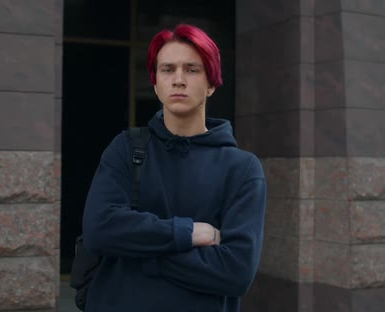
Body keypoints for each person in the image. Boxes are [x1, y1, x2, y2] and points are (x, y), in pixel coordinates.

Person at [81, 24, 266, 312]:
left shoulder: (241, 168)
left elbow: (235, 271)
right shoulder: (128, 148)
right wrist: (187, 232)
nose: (178, 79)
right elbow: (99, 228)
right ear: (155, 84)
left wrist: (136, 251)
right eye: (168, 69)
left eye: (192, 69)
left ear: (211, 83)